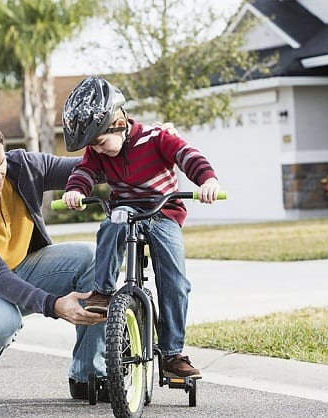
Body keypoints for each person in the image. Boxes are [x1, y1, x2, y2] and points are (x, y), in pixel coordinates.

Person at [0, 115, 108, 404]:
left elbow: (90, 169)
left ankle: (89, 375)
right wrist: (54, 305)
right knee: (1, 319)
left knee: (94, 257)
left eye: (0, 163)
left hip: (24, 270)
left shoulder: (23, 166)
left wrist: (146, 146)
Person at [60, 75, 221, 379]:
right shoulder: (97, 151)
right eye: (93, 146)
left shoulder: (156, 137)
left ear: (118, 123)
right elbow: (85, 171)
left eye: (100, 142)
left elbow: (187, 155)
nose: (98, 149)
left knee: (175, 281)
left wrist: (207, 180)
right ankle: (104, 292)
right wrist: (76, 190)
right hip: (127, 209)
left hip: (164, 211)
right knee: (112, 224)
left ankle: (172, 354)